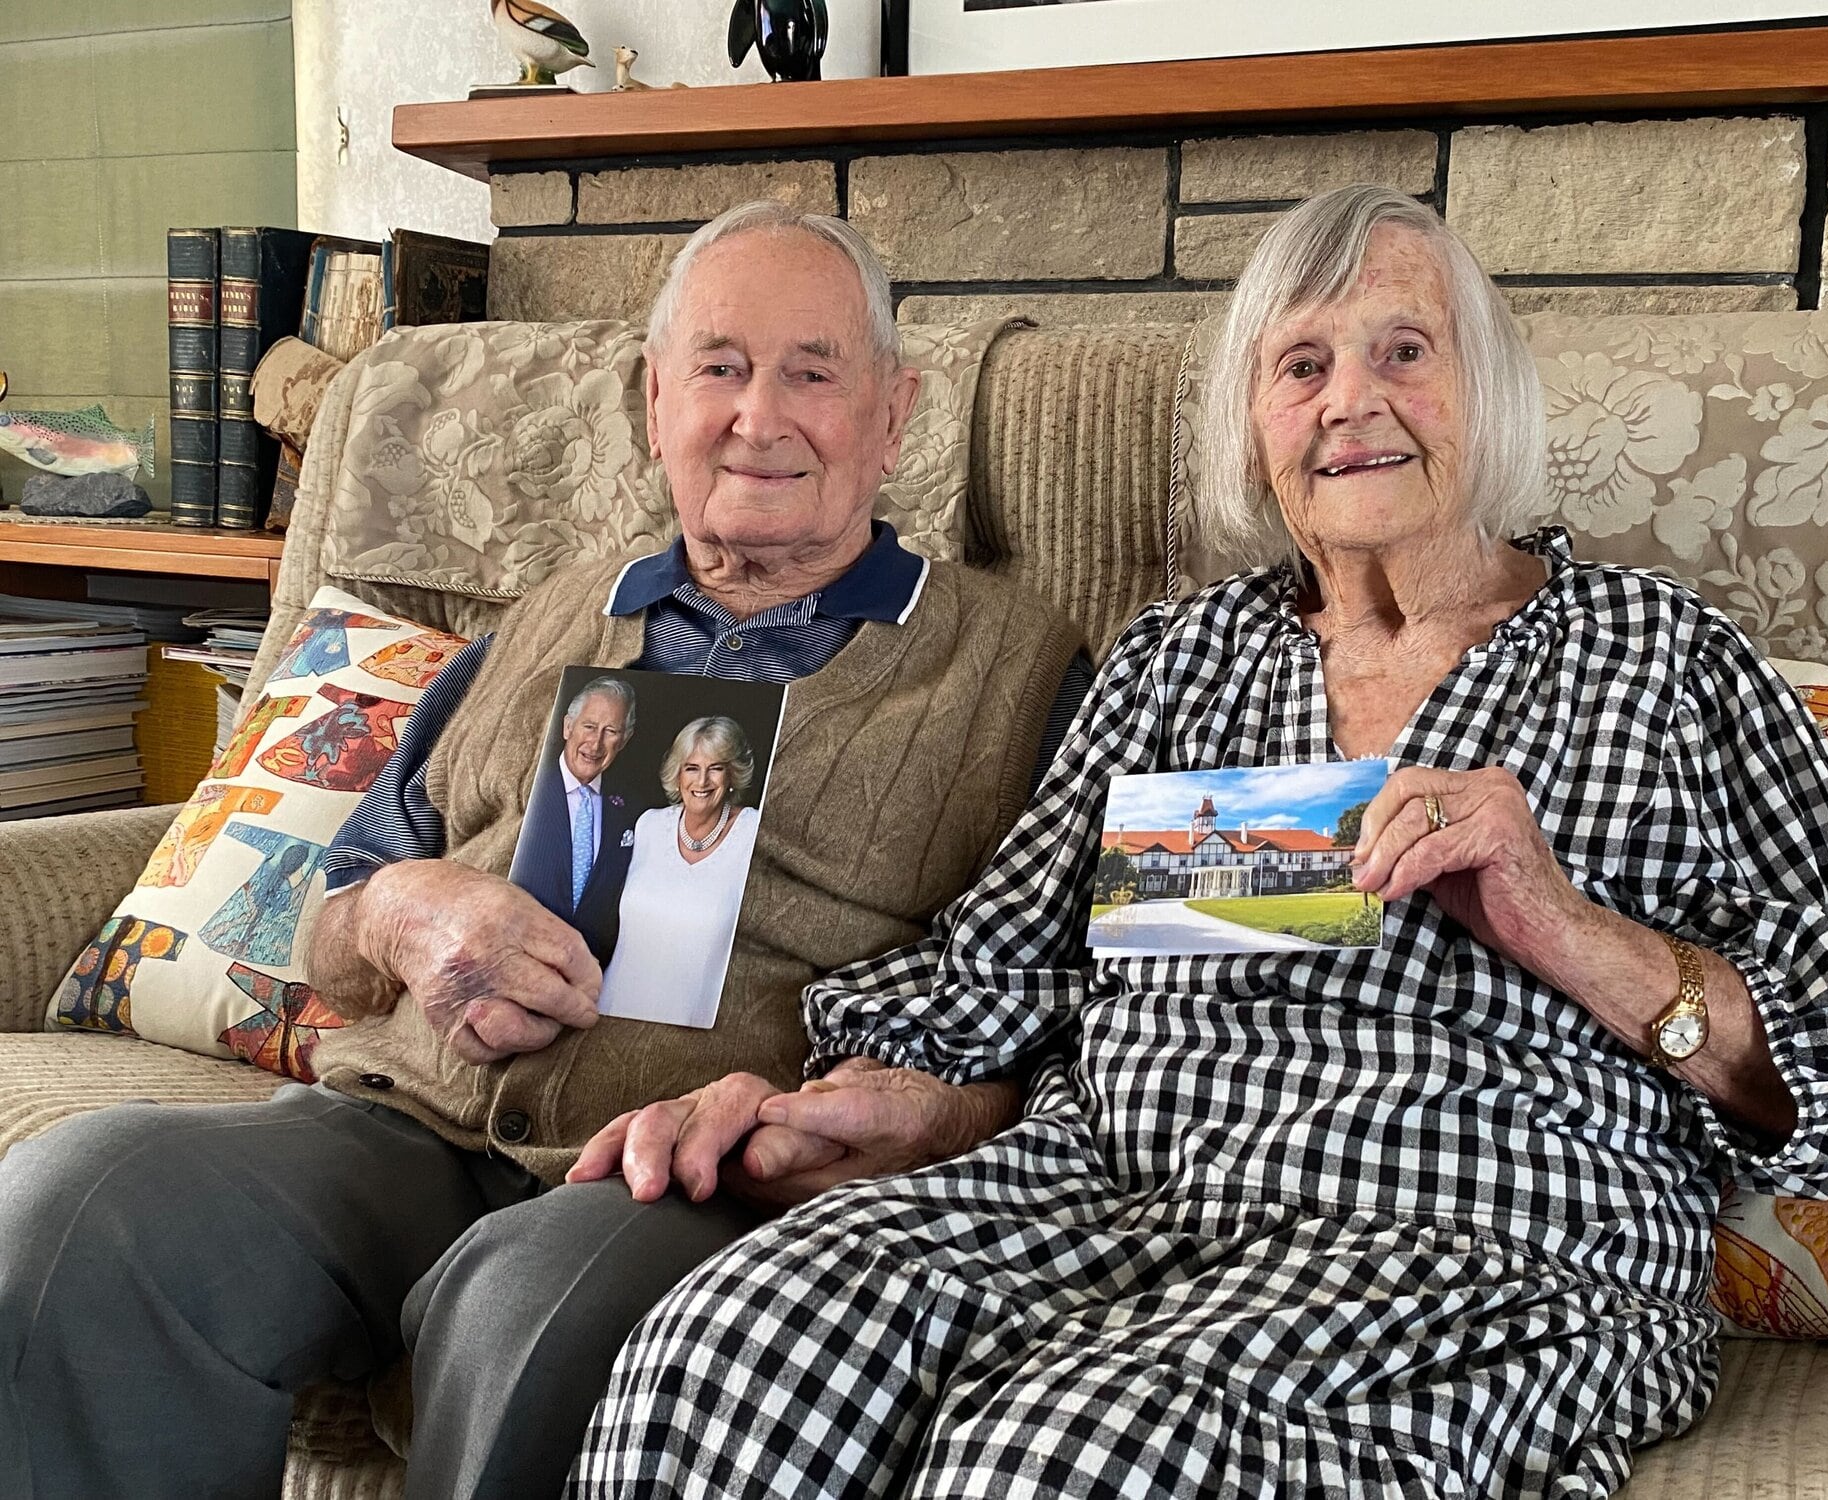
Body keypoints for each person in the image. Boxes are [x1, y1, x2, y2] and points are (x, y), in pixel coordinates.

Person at [568, 186, 1828, 1500]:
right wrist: (880, 1104)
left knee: (1063, 1456)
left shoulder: (1657, 659)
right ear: (1254, 425)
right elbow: (1004, 977)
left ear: (1488, 391)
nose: (1350, 400)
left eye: (1403, 350)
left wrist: (1569, 929)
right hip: (1113, 1199)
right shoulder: (1179, 666)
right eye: (1300, 366)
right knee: (725, 1357)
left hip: (1483, 1244)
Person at [0, 201, 1090, 1500]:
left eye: (815, 371)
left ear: (896, 413)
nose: (761, 414)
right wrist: (405, 909)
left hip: (683, 1177)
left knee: (532, 1303)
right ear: (653, 401)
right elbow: (331, 928)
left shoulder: (1019, 667)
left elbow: (1083, 1007)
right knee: (84, 1197)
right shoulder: (552, 613)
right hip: (394, 1128)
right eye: (720, 367)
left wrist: (919, 1112)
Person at [599, 716, 762, 1027]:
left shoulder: (752, 831)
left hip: (693, 1025)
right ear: (677, 774)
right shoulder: (648, 825)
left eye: (715, 768)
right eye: (692, 768)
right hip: (614, 1007)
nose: (702, 782)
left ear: (732, 776)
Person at [513, 675, 641, 964]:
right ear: (568, 726)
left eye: (610, 731)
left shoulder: (630, 810)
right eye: (589, 726)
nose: (595, 743)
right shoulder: (523, 787)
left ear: (624, 739)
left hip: (592, 976)